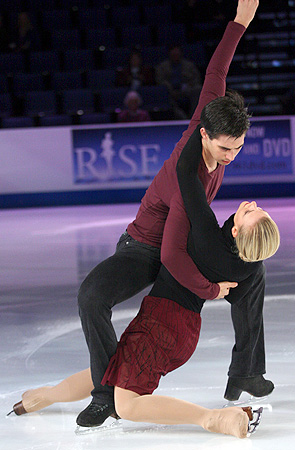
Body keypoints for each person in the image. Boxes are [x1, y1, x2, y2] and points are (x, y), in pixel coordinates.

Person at [10, 124, 279, 435]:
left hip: (162, 325)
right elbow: (247, 306)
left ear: (235, 231)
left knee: (127, 405)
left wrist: (203, 133)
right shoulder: (249, 267)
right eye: (259, 209)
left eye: (252, 213)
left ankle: (214, 419)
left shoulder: (206, 236)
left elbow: (185, 172)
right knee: (109, 372)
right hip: (180, 329)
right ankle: (39, 397)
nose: (251, 205)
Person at [76, 0, 262, 429]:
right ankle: (106, 395)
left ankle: (247, 369)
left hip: (180, 243)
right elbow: (172, 256)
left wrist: (239, 23)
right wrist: (210, 289)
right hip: (144, 249)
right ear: (204, 136)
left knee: (255, 274)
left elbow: (216, 74)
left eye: (238, 148)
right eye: (223, 149)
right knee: (91, 296)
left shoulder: (211, 116)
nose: (230, 157)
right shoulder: (187, 175)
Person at [155, 43, 202, 119]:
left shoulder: (189, 65)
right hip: (171, 92)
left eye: (177, 53)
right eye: (173, 53)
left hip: (187, 90)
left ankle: (193, 117)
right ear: (170, 54)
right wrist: (170, 89)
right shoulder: (162, 67)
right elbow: (159, 80)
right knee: (163, 94)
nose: (175, 54)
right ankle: (182, 118)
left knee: (198, 89)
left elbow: (196, 79)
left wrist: (188, 86)